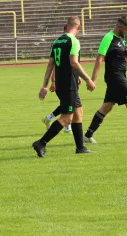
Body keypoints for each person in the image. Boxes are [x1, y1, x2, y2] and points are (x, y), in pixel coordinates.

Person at [32, 16, 96, 157]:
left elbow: (50, 64)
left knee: (78, 113)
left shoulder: (56, 41)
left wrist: (45, 86)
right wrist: (88, 79)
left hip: (61, 84)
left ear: (66, 26)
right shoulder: (74, 41)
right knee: (67, 117)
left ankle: (80, 147)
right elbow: (74, 63)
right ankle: (41, 142)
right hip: (68, 85)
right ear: (78, 28)